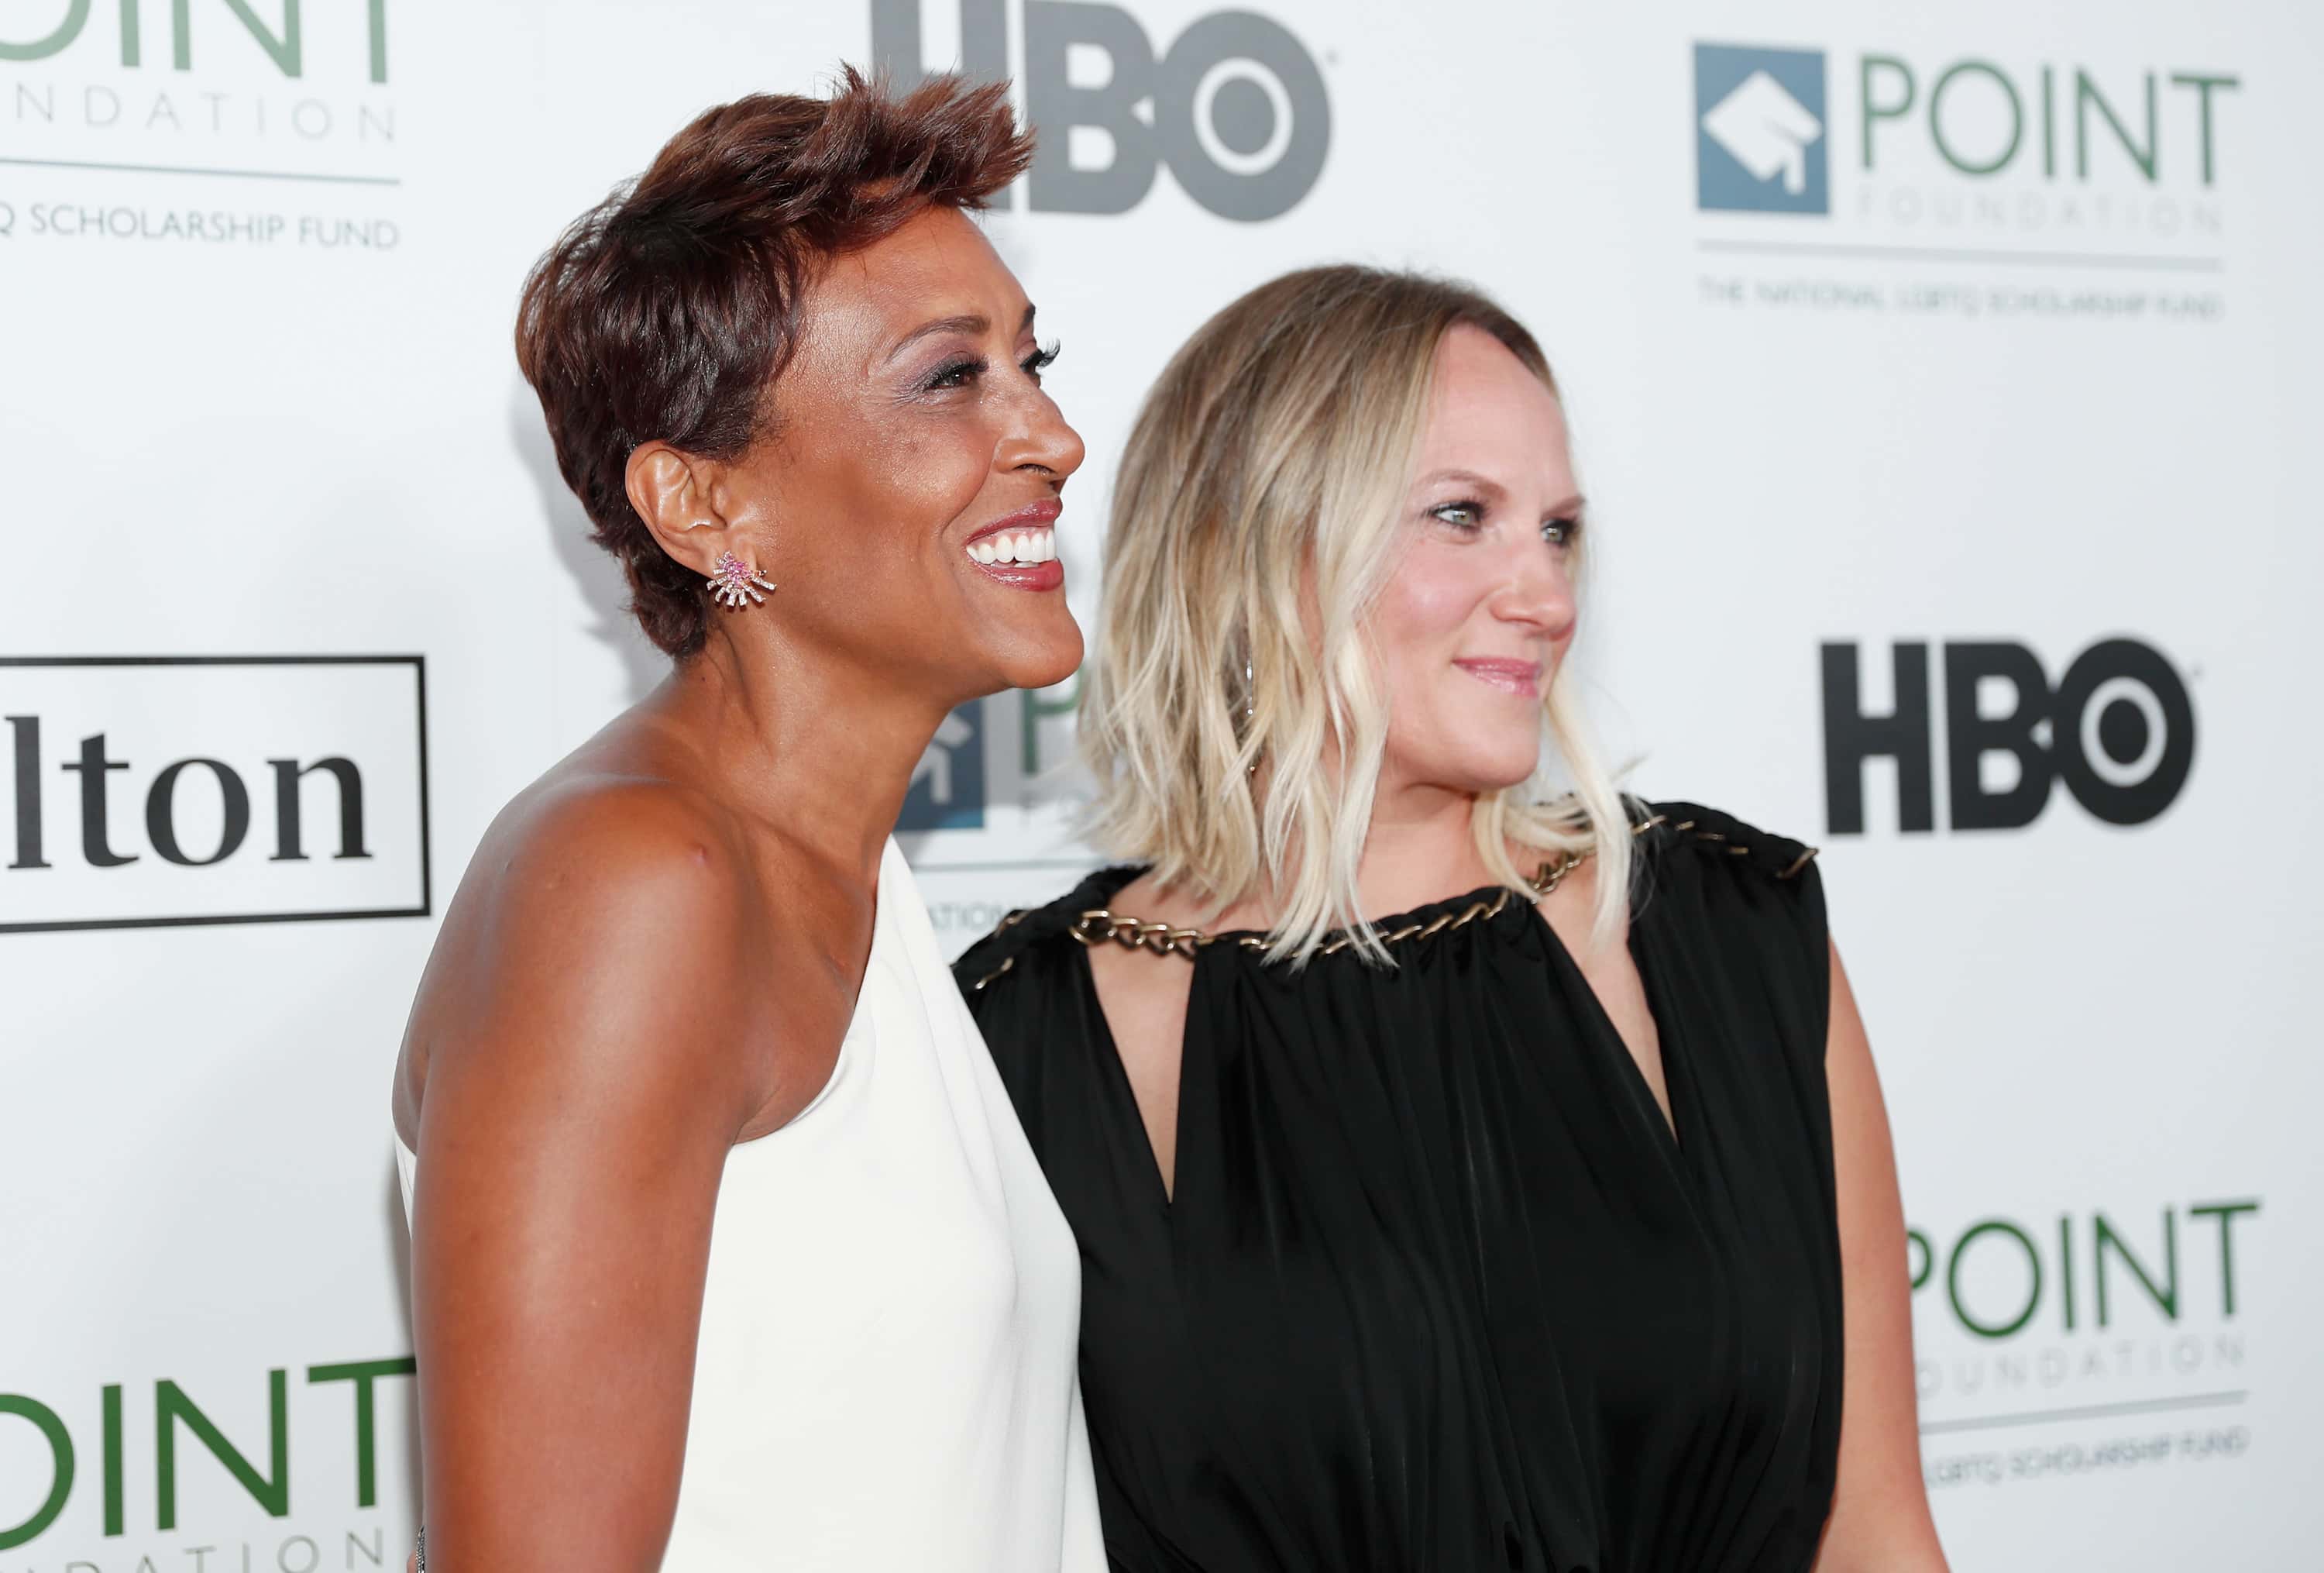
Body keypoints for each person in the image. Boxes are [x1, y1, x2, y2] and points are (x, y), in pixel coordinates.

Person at [954, 266, 1951, 1572]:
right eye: (1462, 515)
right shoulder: (1031, 1034)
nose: (1543, 592)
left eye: (1559, 529)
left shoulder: (1729, 932)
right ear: (1261, 540)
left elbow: (1872, 1533)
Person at [390, 71, 1102, 1571]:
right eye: (948, 379)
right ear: (706, 509)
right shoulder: (638, 881)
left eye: (1032, 363)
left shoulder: (842, 871)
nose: (1053, 435)